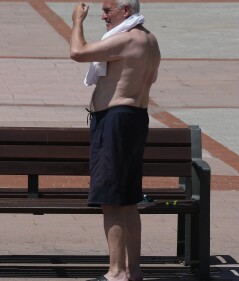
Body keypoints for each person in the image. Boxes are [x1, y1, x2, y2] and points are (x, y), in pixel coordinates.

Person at [69, 1, 160, 281]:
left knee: (111, 200)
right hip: (133, 118)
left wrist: (76, 21)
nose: (103, 15)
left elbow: (78, 52)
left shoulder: (127, 39)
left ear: (127, 11)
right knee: (129, 199)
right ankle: (133, 272)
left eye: (109, 10)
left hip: (116, 121)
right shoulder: (150, 40)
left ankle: (116, 272)